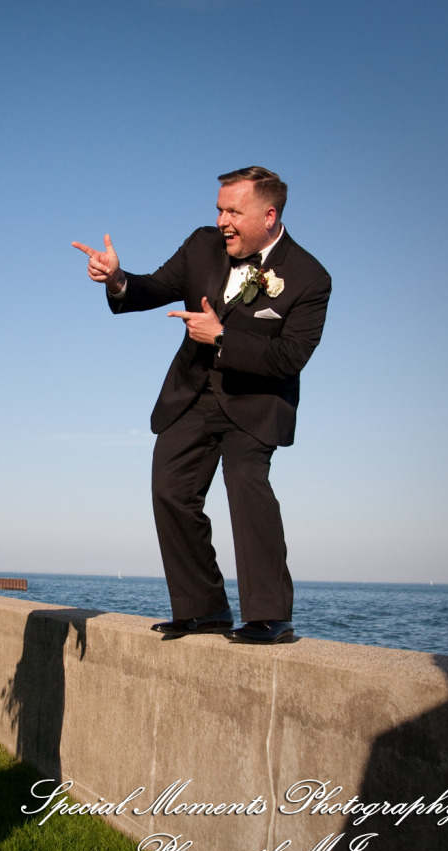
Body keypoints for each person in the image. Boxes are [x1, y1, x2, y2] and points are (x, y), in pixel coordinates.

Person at [73, 166, 331, 645]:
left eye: (234, 211)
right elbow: (152, 289)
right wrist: (117, 279)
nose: (222, 221)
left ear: (269, 215)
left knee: (246, 486)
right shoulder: (201, 245)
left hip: (254, 402)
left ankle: (270, 615)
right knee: (170, 490)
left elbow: (290, 358)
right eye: (219, 209)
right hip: (192, 393)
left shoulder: (309, 277)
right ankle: (204, 608)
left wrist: (224, 337)